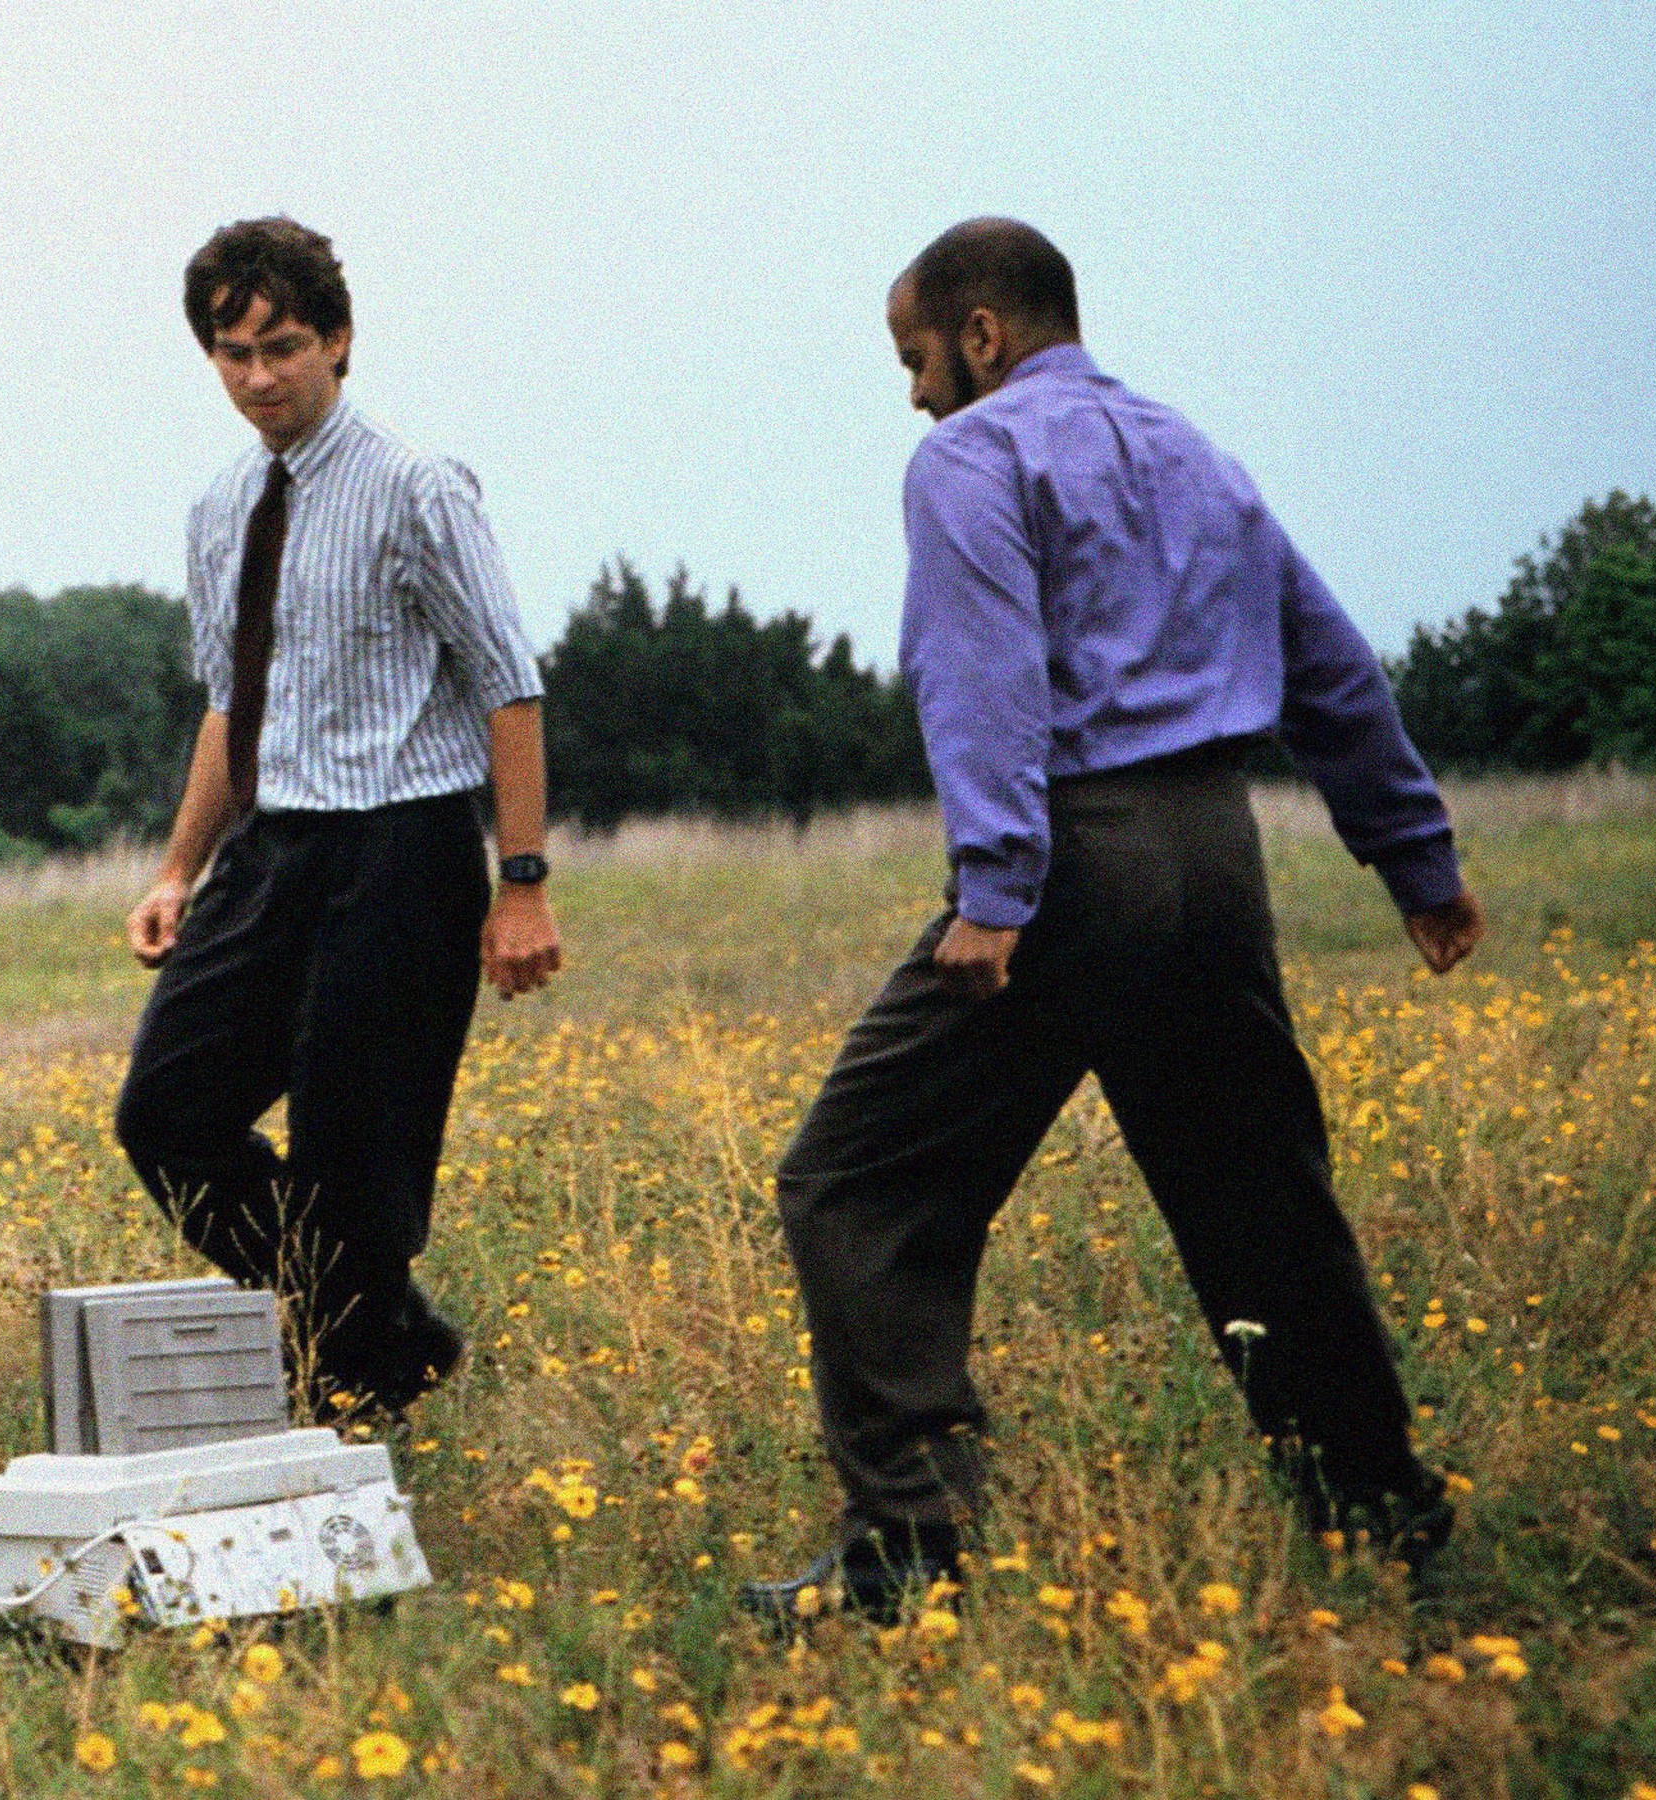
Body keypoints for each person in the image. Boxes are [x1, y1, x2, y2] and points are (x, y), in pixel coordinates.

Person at [741, 218, 1488, 1622]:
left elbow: (986, 678)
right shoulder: (1197, 453)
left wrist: (995, 889)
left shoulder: (971, 458)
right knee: (1260, 1197)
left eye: (914, 357)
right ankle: (1384, 1521)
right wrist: (1417, 860)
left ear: (979, 335)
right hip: (1219, 850)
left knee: (857, 1181)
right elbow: (1328, 661)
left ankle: (909, 1548)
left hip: (1081, 862)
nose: (910, 392)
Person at [113, 217, 562, 1421]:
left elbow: (505, 683)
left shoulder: (417, 489)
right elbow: (229, 703)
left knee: (351, 1160)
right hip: (272, 849)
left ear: (339, 340)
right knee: (165, 1114)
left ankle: (349, 1409)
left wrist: (520, 881)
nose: (258, 377)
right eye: (231, 352)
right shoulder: (218, 511)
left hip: (402, 848)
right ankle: (379, 1329)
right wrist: (175, 868)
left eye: (283, 346)